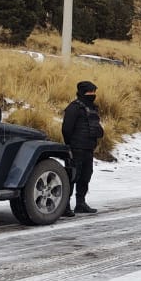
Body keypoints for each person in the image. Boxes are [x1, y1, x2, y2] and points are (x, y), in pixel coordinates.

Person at [61, 80, 104, 216]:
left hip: (88, 149)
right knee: (72, 177)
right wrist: (71, 145)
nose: (92, 94)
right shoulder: (74, 108)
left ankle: (80, 203)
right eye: (89, 92)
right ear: (82, 93)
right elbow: (66, 129)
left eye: (93, 92)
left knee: (85, 176)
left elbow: (95, 125)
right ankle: (64, 206)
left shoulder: (92, 108)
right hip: (76, 148)